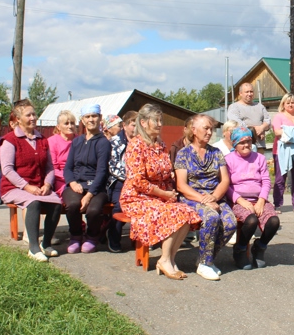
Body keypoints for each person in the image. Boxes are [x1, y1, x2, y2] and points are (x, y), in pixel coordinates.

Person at [120, 104, 199, 280]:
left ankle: (169, 258)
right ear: (143, 122)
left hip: (159, 195)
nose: (159, 123)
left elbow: (164, 172)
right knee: (172, 213)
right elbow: (137, 181)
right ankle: (165, 261)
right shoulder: (136, 145)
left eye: (161, 119)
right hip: (137, 198)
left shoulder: (160, 144)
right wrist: (163, 194)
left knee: (187, 212)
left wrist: (169, 185)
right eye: (155, 120)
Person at [174, 114, 238, 280]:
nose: (210, 132)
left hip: (213, 197)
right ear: (194, 130)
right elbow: (181, 185)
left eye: (211, 129)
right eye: (206, 128)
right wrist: (203, 200)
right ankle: (205, 265)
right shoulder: (183, 154)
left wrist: (214, 197)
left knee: (230, 223)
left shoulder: (216, 153)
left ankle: (205, 259)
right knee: (211, 218)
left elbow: (225, 180)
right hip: (192, 198)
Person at [0, 99, 63, 262]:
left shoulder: (42, 140)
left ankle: (46, 244)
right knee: (33, 203)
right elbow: (7, 170)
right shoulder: (9, 140)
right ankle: (33, 248)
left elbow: (49, 167)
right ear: (18, 119)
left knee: (56, 203)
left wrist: (48, 184)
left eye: (34, 114)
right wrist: (27, 187)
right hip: (13, 187)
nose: (33, 118)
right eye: (28, 115)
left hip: (39, 187)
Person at [225, 126, 281, 269]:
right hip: (238, 200)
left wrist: (262, 200)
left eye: (248, 141)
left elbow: (266, 181)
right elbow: (226, 185)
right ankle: (240, 249)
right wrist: (240, 200)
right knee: (251, 220)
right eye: (242, 142)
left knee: (273, 221)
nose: (246, 145)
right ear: (235, 144)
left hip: (258, 199)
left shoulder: (259, 158)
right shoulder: (228, 160)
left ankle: (260, 247)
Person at [63, 104, 111, 254]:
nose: (91, 119)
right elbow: (68, 168)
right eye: (87, 117)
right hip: (77, 183)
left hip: (96, 186)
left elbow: (102, 172)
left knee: (94, 210)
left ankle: (92, 236)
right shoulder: (77, 142)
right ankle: (76, 236)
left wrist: (89, 195)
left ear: (100, 118)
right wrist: (72, 183)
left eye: (94, 116)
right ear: (82, 121)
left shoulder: (103, 143)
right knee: (72, 204)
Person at [107, 110, 137, 252]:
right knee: (120, 206)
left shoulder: (142, 142)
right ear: (124, 125)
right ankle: (113, 238)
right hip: (119, 182)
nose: (135, 128)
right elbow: (112, 166)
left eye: (138, 124)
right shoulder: (115, 142)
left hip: (138, 183)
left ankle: (139, 238)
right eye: (132, 124)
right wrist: (130, 177)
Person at [227, 82, 271, 150]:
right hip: (243, 146)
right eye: (247, 92)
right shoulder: (234, 107)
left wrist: (262, 127)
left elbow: (268, 121)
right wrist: (255, 130)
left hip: (259, 145)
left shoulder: (260, 106)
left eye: (251, 91)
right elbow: (237, 124)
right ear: (240, 93)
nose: (249, 94)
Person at [48, 110, 77, 198]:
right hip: (60, 179)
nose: (70, 126)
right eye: (66, 123)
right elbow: (53, 168)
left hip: (79, 177)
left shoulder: (80, 140)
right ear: (58, 127)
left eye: (72, 123)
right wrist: (70, 179)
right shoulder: (52, 141)